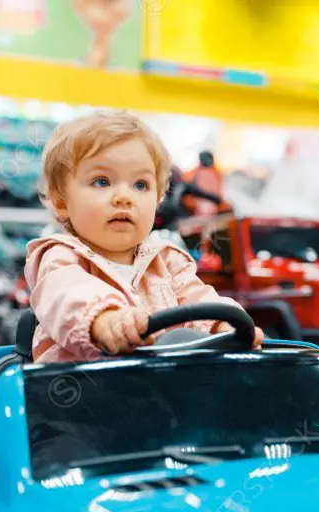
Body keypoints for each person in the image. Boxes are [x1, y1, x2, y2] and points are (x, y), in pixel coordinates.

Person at [25, 110, 262, 363]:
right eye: (102, 182)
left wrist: (223, 326)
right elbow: (66, 294)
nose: (124, 197)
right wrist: (105, 320)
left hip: (160, 384)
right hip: (85, 391)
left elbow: (198, 298)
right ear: (61, 201)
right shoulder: (59, 256)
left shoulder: (167, 260)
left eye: (140, 185)